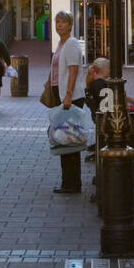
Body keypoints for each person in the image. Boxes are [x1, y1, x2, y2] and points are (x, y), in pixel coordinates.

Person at [47, 10, 85, 194]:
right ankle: (68, 181)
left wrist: (68, 95)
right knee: (63, 138)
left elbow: (73, 71)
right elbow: (57, 68)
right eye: (56, 22)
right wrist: (49, 82)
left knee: (69, 140)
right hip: (60, 96)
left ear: (70, 25)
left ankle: (72, 183)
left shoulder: (71, 44)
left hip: (70, 98)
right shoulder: (61, 43)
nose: (59, 25)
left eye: (62, 22)